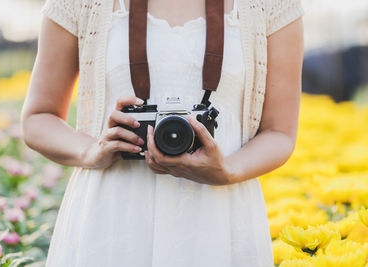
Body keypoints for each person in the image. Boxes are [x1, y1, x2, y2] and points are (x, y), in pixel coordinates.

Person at [21, 0, 304, 266]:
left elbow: (279, 132)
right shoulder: (79, 4)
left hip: (221, 217)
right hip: (111, 217)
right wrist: (91, 150)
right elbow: (38, 117)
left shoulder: (272, 6)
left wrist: (227, 170)